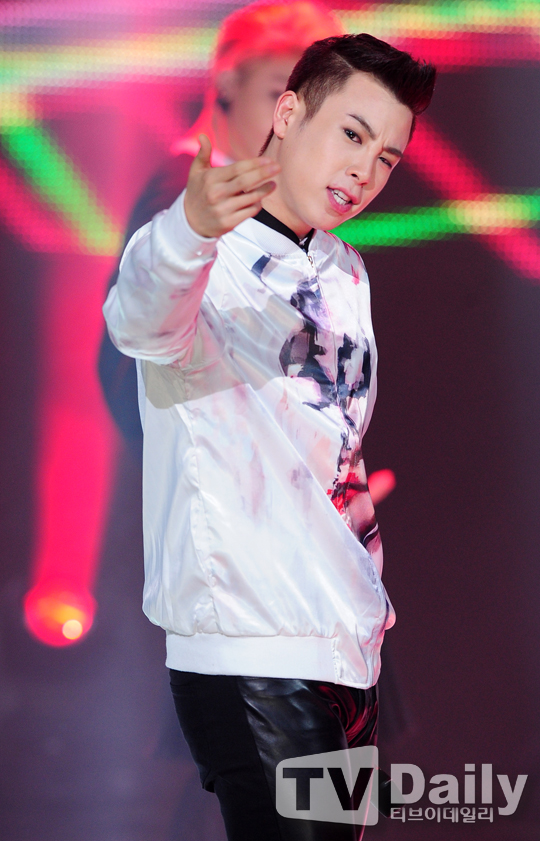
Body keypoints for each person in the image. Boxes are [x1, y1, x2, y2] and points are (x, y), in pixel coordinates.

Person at [103, 32, 436, 841]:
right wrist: (187, 229)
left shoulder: (347, 270)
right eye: (352, 134)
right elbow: (137, 319)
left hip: (347, 642)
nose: (364, 170)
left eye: (386, 157)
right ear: (288, 113)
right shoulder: (200, 254)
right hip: (253, 646)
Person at [98, 1, 343, 442]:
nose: (290, 122)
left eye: (309, 108)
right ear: (229, 82)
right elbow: (129, 369)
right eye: (278, 96)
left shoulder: (249, 201)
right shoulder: (186, 200)